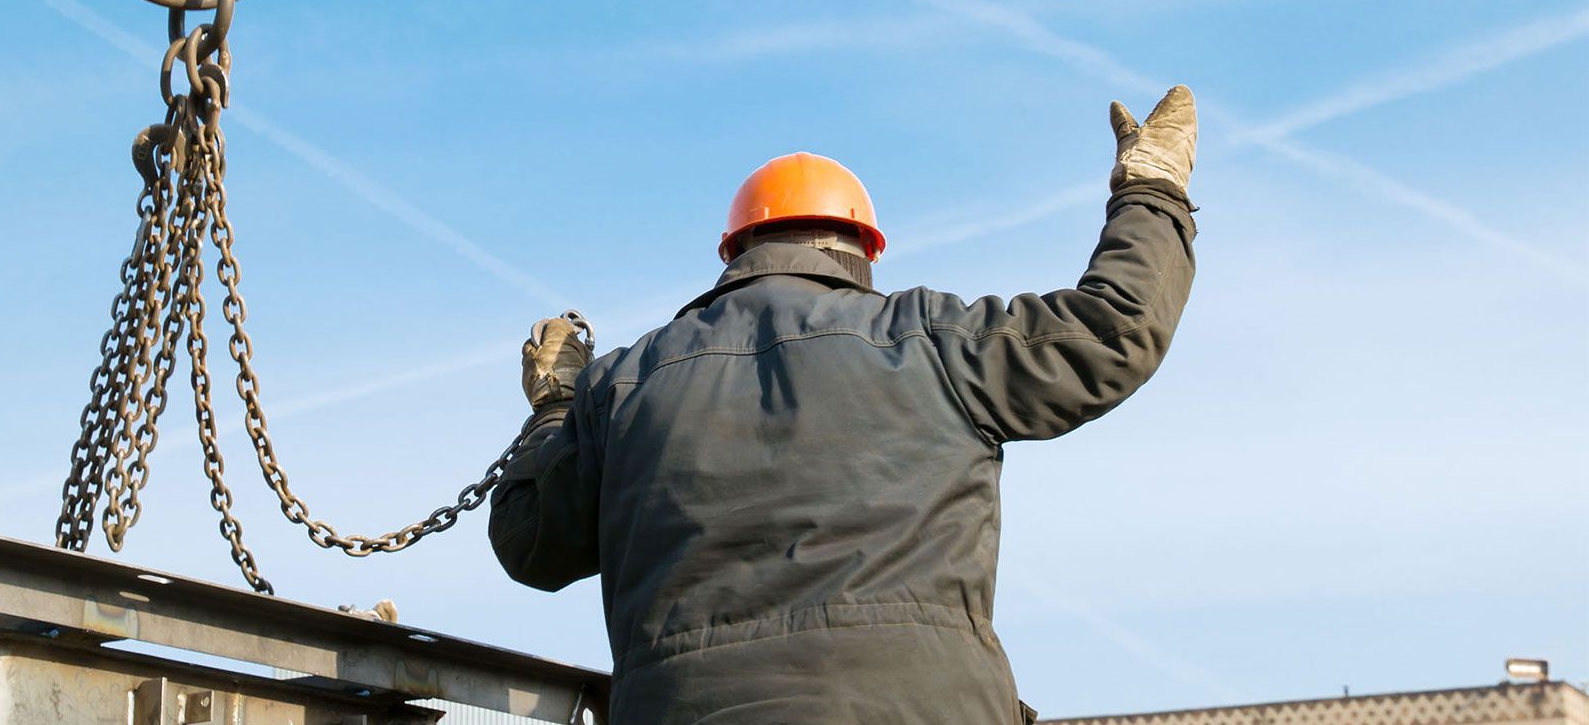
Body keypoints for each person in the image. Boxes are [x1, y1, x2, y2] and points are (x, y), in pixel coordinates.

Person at [488, 86, 1200, 725]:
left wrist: (556, 405)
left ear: (734, 249)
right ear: (866, 249)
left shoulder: (625, 383)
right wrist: (1153, 190)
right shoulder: (930, 338)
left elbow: (531, 544)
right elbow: (1112, 331)